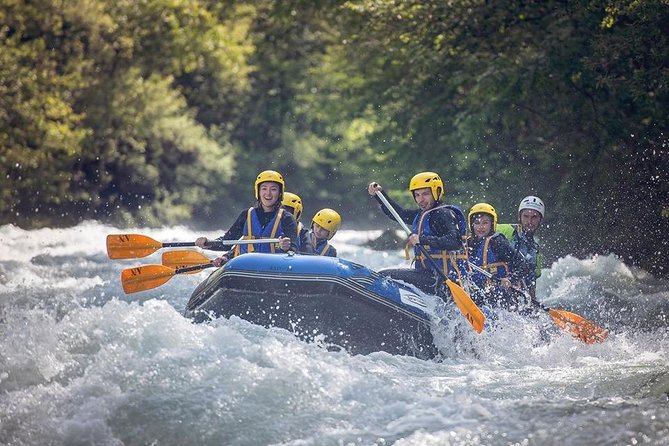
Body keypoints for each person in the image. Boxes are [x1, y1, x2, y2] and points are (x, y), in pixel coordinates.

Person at [367, 172, 469, 296]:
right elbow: (399, 214)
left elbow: (455, 241)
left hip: (442, 279)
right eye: (417, 195)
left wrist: (422, 239)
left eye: (425, 194)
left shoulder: (443, 214)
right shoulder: (423, 214)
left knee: (384, 276)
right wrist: (380, 195)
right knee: (385, 275)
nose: (421, 199)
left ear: (436, 192)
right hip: (428, 275)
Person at [195, 170, 298, 266]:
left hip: (273, 268)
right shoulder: (246, 215)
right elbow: (227, 242)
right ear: (258, 191)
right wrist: (207, 242)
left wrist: (287, 247)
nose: (268, 193)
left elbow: (294, 250)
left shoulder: (287, 218)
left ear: (280, 193)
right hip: (247, 268)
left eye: (273, 189)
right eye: (264, 188)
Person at [466, 203, 533, 310]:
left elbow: (523, 265)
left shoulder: (497, 242)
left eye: (485, 223)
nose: (481, 227)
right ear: (471, 225)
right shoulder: (467, 243)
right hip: (478, 297)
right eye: (477, 223)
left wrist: (510, 279)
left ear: (492, 224)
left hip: (501, 298)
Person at [496, 196, 544, 298]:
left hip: (516, 295)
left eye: (534, 217)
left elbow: (532, 284)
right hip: (496, 286)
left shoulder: (536, 252)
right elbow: (481, 230)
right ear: (519, 217)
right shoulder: (505, 230)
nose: (529, 221)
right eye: (526, 216)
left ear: (540, 220)